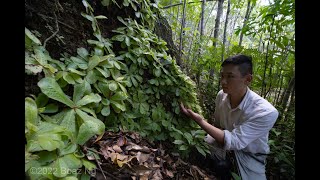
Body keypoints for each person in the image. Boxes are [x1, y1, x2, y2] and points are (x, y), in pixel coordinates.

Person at [180, 54, 279, 180]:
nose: (223, 81)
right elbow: (218, 126)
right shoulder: (221, 95)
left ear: (248, 79)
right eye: (222, 76)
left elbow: (235, 141)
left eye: (230, 76)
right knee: (195, 152)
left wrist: (200, 121)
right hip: (221, 145)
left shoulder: (266, 111)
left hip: (250, 156)